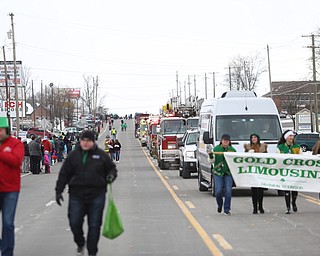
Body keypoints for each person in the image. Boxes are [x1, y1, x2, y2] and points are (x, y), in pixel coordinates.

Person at [55, 130, 117, 256]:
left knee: (94, 225)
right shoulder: (73, 156)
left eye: (88, 141)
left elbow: (111, 168)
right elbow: (64, 174)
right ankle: (80, 243)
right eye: (83, 140)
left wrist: (110, 176)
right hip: (77, 195)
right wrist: (58, 190)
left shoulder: (100, 155)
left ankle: (92, 251)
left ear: (93, 142)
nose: (85, 143)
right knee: (74, 222)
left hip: (97, 194)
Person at [0, 117, 24, 256]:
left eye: (0, 130)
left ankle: (7, 252)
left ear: (6, 131)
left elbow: (16, 161)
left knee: (8, 223)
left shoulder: (15, 144)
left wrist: (2, 153)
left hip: (10, 190)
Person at [209, 134, 236, 216]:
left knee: (228, 191)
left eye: (227, 141)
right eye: (224, 140)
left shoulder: (232, 150)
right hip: (218, 172)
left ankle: (227, 209)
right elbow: (212, 161)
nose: (225, 142)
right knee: (218, 191)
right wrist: (211, 156)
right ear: (221, 141)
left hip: (228, 173)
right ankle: (220, 205)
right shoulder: (216, 149)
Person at [277, 130, 302, 214]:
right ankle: (287, 207)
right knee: (287, 189)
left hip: (295, 171)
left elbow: (302, 158)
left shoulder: (297, 147)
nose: (292, 137)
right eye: (290, 136)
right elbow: (277, 158)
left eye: (292, 136)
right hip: (285, 172)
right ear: (286, 137)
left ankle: (293, 202)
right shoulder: (280, 147)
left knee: (294, 189)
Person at [244, 134, 268, 214]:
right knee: (254, 190)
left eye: (255, 137)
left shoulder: (263, 147)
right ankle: (254, 207)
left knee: (260, 190)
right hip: (252, 171)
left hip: (260, 170)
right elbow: (244, 158)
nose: (253, 139)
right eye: (252, 137)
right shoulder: (247, 147)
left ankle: (260, 206)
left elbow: (266, 158)